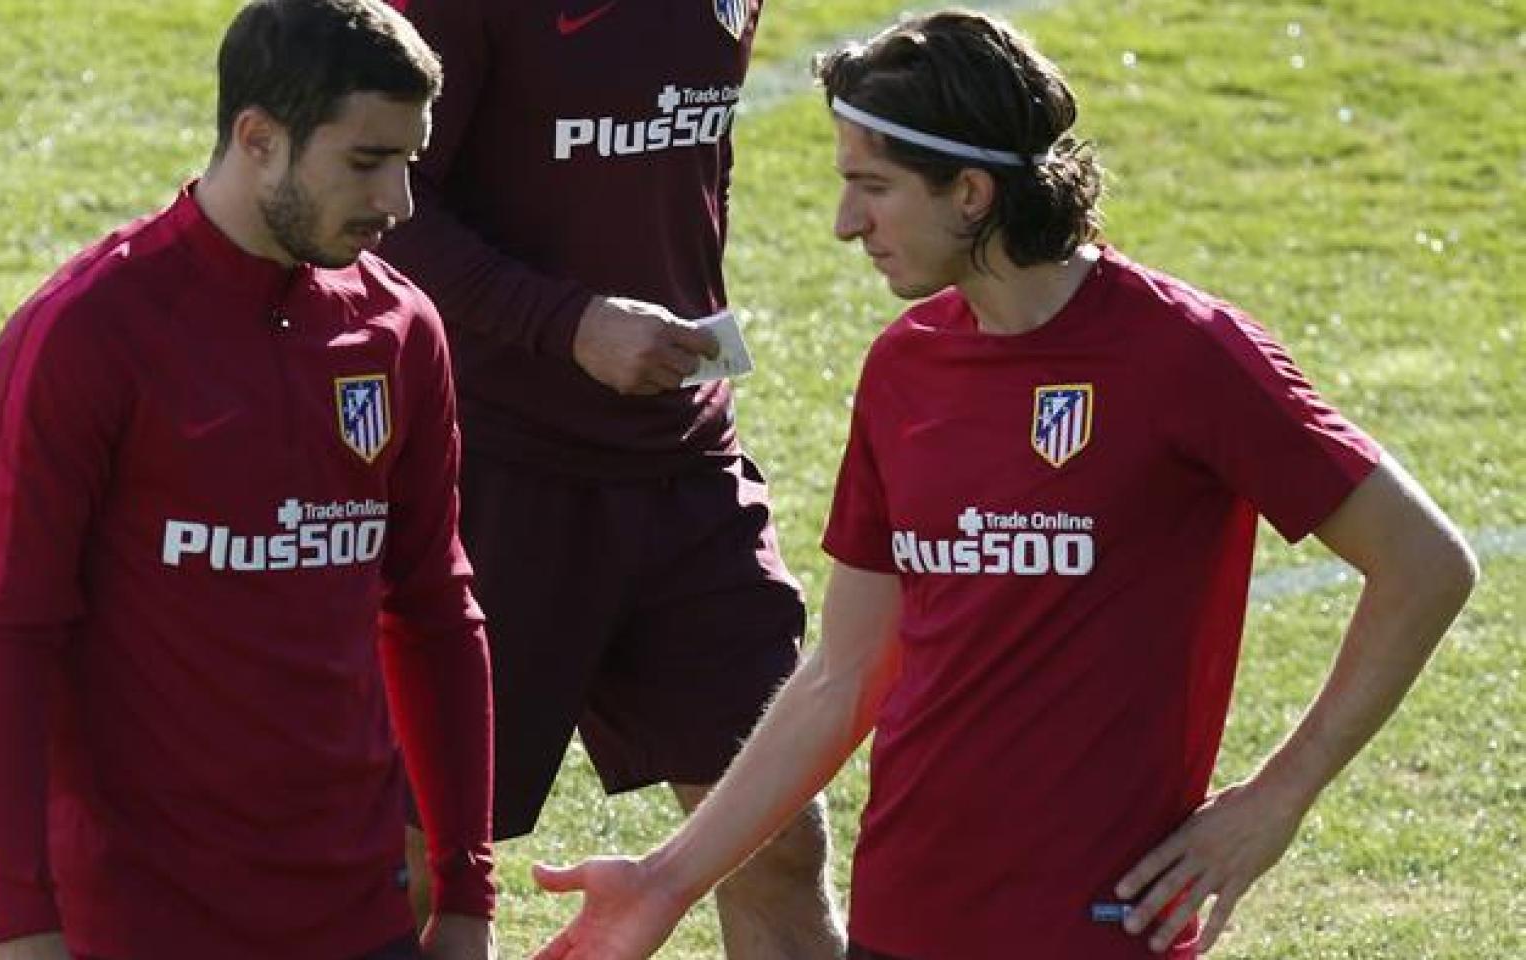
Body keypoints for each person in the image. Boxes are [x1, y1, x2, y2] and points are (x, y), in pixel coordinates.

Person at [525, 8, 1480, 959]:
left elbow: (1426, 564)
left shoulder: (1187, 356)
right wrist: (665, 880)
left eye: (873, 186)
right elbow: (843, 677)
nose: (844, 222)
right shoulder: (905, 368)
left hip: (1098, 930)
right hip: (906, 920)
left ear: (972, 193)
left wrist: (1277, 799)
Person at [0, 2, 497, 958]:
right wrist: (23, 927)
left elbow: (436, 613)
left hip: (357, 917)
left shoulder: (400, 330)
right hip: (141, 926)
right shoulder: (88, 334)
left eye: (409, 161)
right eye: (367, 162)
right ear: (258, 138)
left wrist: (463, 892)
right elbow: (8, 637)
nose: (399, 202)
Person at [375, 0, 844, 955]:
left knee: (778, 840)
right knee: (418, 862)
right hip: (493, 469)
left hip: (686, 464)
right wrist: (569, 322)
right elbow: (382, 207)